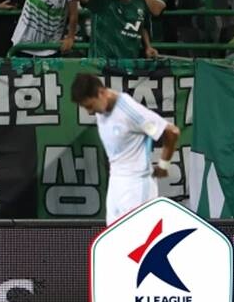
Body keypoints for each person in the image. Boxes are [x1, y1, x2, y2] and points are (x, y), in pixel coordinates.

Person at [71, 73, 179, 224]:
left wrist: (163, 165)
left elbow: (171, 132)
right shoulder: (103, 104)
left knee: (139, 244)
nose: (89, 112)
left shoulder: (130, 112)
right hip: (116, 184)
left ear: (101, 93)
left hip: (137, 188)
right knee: (115, 241)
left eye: (90, 106)